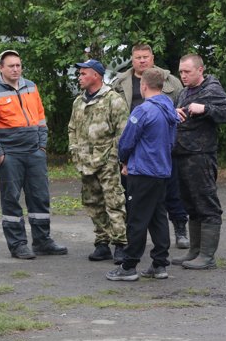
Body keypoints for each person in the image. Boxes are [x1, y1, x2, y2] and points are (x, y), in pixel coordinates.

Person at [0, 50, 68, 259]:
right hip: (10, 154)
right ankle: (18, 244)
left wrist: (42, 146)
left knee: (40, 197)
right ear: (0, 68)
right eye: (11, 66)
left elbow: (41, 118)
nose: (15, 69)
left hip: (34, 152)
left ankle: (42, 241)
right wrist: (0, 154)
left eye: (18, 65)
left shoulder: (31, 86)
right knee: (11, 199)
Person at [112, 44, 189, 249]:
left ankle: (180, 228)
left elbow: (182, 106)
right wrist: (125, 156)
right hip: (135, 145)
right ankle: (151, 253)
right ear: (132, 59)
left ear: (152, 58)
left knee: (171, 192)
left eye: (146, 57)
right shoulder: (120, 82)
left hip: (163, 145)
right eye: (138, 57)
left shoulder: (169, 80)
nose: (142, 60)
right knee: (139, 201)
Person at [107, 67, 177, 281]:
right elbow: (172, 141)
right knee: (158, 217)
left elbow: (127, 140)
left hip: (143, 170)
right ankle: (159, 264)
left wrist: (124, 159)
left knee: (136, 218)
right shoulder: (170, 109)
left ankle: (129, 266)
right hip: (162, 170)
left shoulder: (143, 110)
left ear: (143, 86)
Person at [172, 54, 226, 269]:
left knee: (206, 204)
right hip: (182, 154)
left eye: (187, 72)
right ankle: (194, 251)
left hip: (201, 156)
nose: (183, 75)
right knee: (190, 204)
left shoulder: (211, 89)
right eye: (181, 72)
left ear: (200, 70)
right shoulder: (184, 92)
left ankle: (207, 257)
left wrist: (206, 109)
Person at [68, 59, 130, 262]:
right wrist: (75, 150)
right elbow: (72, 129)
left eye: (84, 74)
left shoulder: (113, 99)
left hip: (107, 161)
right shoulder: (79, 101)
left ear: (96, 75)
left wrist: (117, 158)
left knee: (114, 202)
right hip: (85, 162)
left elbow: (123, 131)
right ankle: (102, 242)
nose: (80, 77)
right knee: (92, 202)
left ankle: (120, 243)